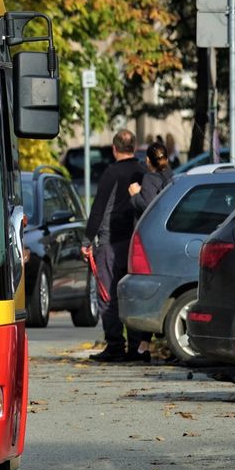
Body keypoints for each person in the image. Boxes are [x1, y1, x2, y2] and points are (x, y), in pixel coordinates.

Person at [81, 129, 145, 363]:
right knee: (133, 293)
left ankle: (115, 344)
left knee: (108, 295)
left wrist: (87, 241)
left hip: (110, 242)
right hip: (136, 242)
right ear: (135, 147)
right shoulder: (143, 171)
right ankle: (137, 346)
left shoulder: (111, 173)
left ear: (114, 149)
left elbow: (98, 209)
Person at [129, 141, 173, 215]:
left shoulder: (149, 179)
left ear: (148, 160)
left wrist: (135, 195)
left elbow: (149, 207)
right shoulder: (171, 176)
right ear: (166, 160)